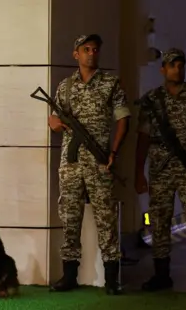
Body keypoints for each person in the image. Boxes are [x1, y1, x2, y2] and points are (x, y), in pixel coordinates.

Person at [48, 34, 131, 295]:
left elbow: (123, 120)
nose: (92, 53)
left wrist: (113, 153)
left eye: (95, 49)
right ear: (76, 54)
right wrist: (53, 123)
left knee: (105, 218)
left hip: (99, 163)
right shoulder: (65, 87)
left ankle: (111, 279)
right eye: (86, 49)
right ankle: (69, 275)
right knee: (69, 217)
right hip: (71, 163)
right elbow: (54, 118)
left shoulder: (110, 83)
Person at [134, 48, 186, 293]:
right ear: (163, 69)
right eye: (172, 65)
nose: (177, 69)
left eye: (181, 65)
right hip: (159, 170)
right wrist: (139, 172)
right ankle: (162, 276)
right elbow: (143, 138)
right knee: (159, 222)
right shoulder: (151, 99)